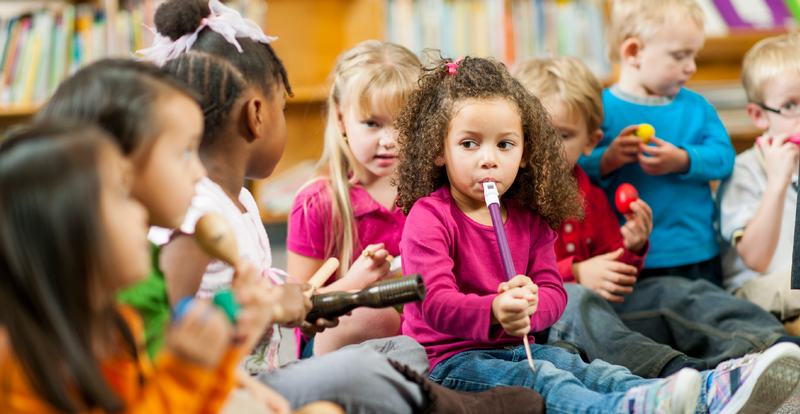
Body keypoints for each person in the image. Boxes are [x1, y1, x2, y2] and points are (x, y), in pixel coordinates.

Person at [141, 1, 547, 413]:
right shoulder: (198, 217)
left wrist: (281, 304)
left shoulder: (239, 200)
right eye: (284, 108)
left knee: (402, 352)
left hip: (253, 377)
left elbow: (269, 302)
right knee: (365, 365)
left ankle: (445, 396)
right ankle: (458, 406)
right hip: (218, 393)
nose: (388, 140)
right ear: (257, 115)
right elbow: (165, 337)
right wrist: (275, 306)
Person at [395, 54, 800, 414]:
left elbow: (554, 291)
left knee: (591, 368)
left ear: (524, 154)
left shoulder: (531, 218)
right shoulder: (429, 218)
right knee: (549, 382)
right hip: (452, 360)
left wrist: (534, 306)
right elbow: (433, 301)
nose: (488, 160)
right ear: (438, 150)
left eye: (505, 145)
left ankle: (702, 395)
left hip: (521, 347)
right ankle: (624, 409)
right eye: (469, 144)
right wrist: (494, 312)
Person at [515, 56, 790, 379]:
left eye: (561, 136)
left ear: (591, 142)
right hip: (547, 322)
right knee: (577, 298)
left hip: (609, 312)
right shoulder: (513, 197)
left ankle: (773, 347)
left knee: (678, 291)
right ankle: (684, 374)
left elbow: (618, 271)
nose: (546, 147)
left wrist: (632, 245)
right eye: (535, 133)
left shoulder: (590, 194)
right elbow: (503, 278)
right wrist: (575, 272)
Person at [0, 123, 253, 413]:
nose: (141, 210)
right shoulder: (15, 365)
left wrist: (222, 353)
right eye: (123, 195)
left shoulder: (120, 326)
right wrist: (185, 373)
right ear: (69, 229)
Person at [578, 0, 735, 284]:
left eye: (694, 56)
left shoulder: (697, 107)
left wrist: (682, 159)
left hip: (694, 251)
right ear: (634, 52)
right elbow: (570, 165)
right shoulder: (599, 109)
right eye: (680, 56)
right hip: (627, 253)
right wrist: (606, 159)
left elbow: (725, 158)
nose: (691, 67)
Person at [288, 40, 419, 356]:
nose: (388, 140)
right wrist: (355, 284)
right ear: (341, 117)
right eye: (372, 123)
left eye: (402, 123)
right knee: (370, 316)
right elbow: (296, 310)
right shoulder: (317, 202)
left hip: (417, 337)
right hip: (333, 343)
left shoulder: (431, 192)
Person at [718, 32, 800, 335]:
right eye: (791, 105)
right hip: (751, 293)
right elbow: (756, 258)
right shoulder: (744, 170)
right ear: (758, 115)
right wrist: (778, 181)